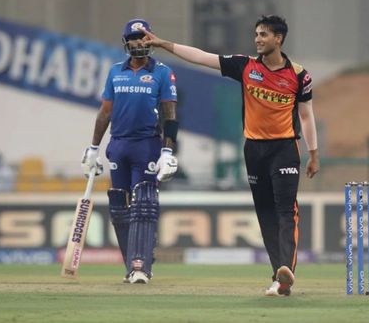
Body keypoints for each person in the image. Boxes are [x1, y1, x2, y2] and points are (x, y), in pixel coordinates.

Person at [143, 15, 319, 296]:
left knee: (286, 211)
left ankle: (286, 267)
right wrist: (163, 44)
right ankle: (279, 278)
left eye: (264, 34)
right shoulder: (245, 66)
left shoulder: (299, 75)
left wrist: (313, 153)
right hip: (254, 149)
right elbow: (202, 57)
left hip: (285, 148)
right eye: (256, 34)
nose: (258, 39)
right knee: (265, 214)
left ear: (279, 39)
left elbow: (306, 116)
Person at [81, 18, 179, 284]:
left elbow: (170, 115)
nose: (139, 42)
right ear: (126, 42)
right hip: (118, 145)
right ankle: (134, 263)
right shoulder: (115, 71)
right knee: (119, 209)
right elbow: (105, 113)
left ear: (150, 40)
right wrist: (93, 148)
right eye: (134, 38)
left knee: (143, 204)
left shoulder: (162, 72)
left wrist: (168, 152)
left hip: (146, 145)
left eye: (144, 37)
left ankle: (141, 267)